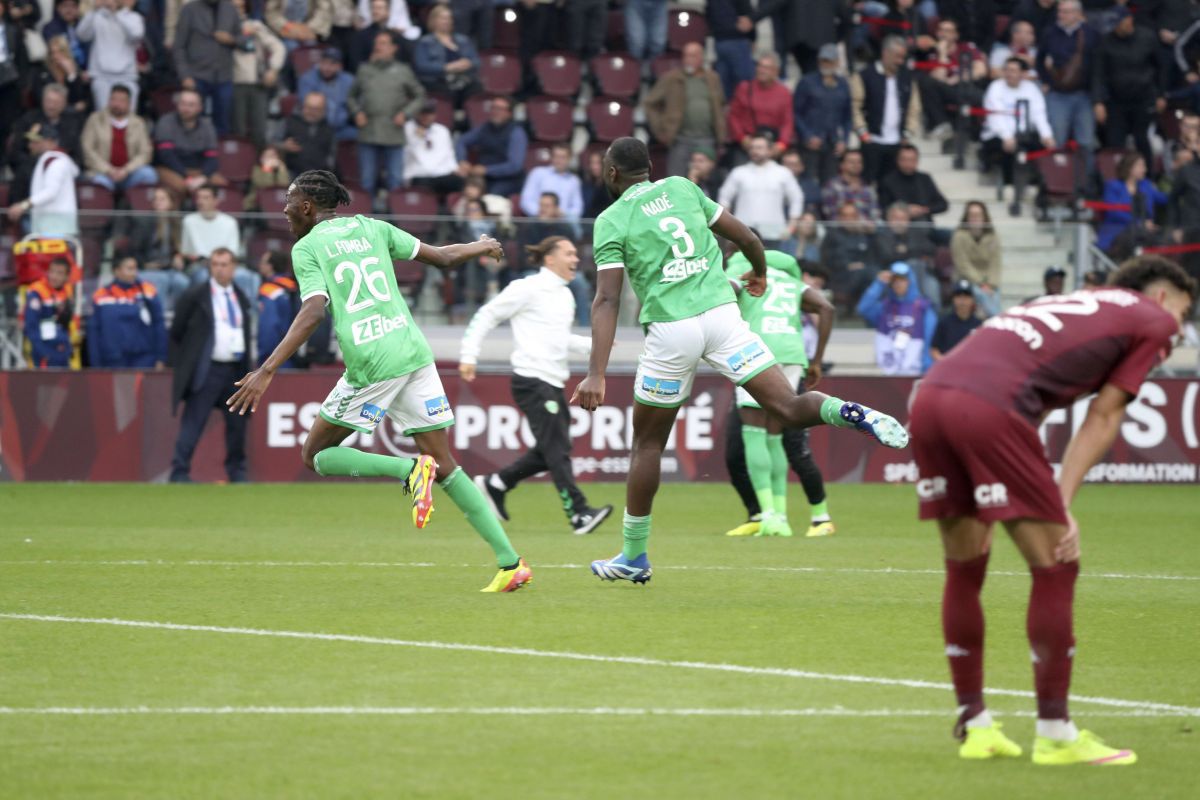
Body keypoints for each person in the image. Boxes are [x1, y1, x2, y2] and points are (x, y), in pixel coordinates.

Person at [573, 137, 908, 584]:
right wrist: (761, 272)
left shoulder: (611, 219)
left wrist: (596, 372)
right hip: (724, 317)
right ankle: (849, 411)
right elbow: (748, 236)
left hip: (673, 330)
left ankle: (634, 556)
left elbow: (607, 299)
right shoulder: (682, 188)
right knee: (788, 407)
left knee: (648, 445)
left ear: (612, 173)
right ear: (650, 168)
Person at [909, 256, 1195, 765]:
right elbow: (1104, 415)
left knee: (966, 566)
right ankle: (1056, 733)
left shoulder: (1071, 304)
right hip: (988, 405)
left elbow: (1032, 392)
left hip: (930, 396)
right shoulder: (1151, 319)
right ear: (1162, 299)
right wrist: (1061, 503)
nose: (1180, 326)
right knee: (1057, 563)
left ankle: (976, 725)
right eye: (1183, 312)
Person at [226, 169, 533, 593]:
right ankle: (510, 562)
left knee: (315, 454)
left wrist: (267, 369)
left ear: (309, 207)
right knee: (445, 464)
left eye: (290, 201)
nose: (284, 209)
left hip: (372, 359)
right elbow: (442, 257)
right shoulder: (373, 227)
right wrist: (481, 245)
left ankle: (408, 471)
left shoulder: (308, 247)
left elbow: (314, 310)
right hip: (412, 350)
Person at [459, 235, 613, 536]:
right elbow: (487, 315)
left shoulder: (564, 295)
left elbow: (559, 339)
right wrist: (469, 355)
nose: (575, 259)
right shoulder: (527, 288)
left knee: (551, 449)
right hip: (532, 380)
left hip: (553, 381)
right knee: (557, 450)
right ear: (550, 259)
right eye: (569, 254)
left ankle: (496, 484)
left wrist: (595, 344)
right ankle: (579, 514)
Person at [722, 244, 836, 539]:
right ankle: (781, 517)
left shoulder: (738, 266)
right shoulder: (787, 277)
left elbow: (728, 289)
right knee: (775, 437)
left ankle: (771, 516)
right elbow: (827, 307)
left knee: (754, 434)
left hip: (756, 351)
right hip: (792, 352)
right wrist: (818, 361)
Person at [169, 247, 251, 483]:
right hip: (207, 369)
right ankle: (179, 472)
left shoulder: (240, 296)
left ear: (234, 267)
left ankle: (237, 473)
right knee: (193, 424)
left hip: (235, 370)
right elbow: (177, 330)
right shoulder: (195, 295)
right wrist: (185, 362)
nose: (220, 269)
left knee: (237, 427)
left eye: (225, 264)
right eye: (215, 264)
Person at [348, 30, 426, 202]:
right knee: (367, 181)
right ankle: (364, 223)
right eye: (377, 43)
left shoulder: (403, 70)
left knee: (395, 181)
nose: (378, 47)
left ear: (393, 48)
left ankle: (394, 222)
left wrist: (406, 114)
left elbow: (420, 95)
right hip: (369, 129)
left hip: (393, 130)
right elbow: (351, 96)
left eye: (383, 43)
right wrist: (356, 112)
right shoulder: (364, 70)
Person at [1092, 8, 1166, 173]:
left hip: (1143, 98)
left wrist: (1161, 94)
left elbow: (1160, 68)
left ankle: (1148, 178)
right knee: (1115, 142)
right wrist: (1098, 101)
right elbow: (1098, 74)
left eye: (1118, 23)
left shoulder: (1147, 37)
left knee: (1141, 139)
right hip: (1116, 100)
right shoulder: (1106, 41)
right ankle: (1115, 180)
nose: (1116, 28)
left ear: (1128, 20)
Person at [981, 57, 1055, 216]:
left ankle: (1044, 196)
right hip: (998, 136)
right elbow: (995, 117)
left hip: (1026, 135)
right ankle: (1017, 199)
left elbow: (1039, 114)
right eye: (1007, 70)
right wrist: (1007, 136)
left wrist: (1046, 135)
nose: (1009, 74)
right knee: (1017, 151)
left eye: (1014, 71)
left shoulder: (1031, 89)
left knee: (1047, 151)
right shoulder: (995, 87)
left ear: (1023, 73)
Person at [644, 41, 728, 180]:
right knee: (676, 180)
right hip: (680, 139)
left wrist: (721, 130)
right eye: (686, 56)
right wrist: (661, 130)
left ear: (701, 58)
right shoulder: (671, 78)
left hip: (706, 138)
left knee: (706, 181)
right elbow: (650, 103)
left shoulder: (713, 78)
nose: (688, 60)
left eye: (693, 56)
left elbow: (721, 104)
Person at [1037, 0, 1098, 174]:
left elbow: (1097, 66)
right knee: (1057, 139)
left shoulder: (1091, 34)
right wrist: (1046, 80)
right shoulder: (1050, 33)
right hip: (1057, 94)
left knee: (1086, 141)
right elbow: (1040, 60)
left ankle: (1086, 183)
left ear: (1077, 14)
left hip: (1084, 95)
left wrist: (1096, 95)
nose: (1060, 15)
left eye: (1064, 12)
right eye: (1059, 11)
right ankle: (1056, 180)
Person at [851, 36, 923, 183]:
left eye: (902, 57)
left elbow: (914, 108)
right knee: (868, 181)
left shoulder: (907, 78)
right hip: (872, 140)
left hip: (896, 143)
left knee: (890, 184)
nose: (900, 61)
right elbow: (854, 106)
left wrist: (908, 132)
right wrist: (863, 132)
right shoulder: (864, 76)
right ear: (885, 53)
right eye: (897, 57)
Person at [717, 134, 803, 249]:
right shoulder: (738, 172)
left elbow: (797, 198)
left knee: (773, 265)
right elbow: (724, 198)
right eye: (752, 148)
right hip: (743, 233)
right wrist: (728, 227)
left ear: (770, 151)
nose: (755, 151)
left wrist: (791, 227)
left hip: (775, 234)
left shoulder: (783, 173)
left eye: (759, 148)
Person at [856, 261, 937, 375]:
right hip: (887, 372)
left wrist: (927, 366)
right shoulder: (884, 306)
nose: (898, 284)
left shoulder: (923, 308)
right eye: (894, 281)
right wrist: (879, 284)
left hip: (914, 371)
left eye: (902, 280)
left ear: (910, 281)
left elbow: (929, 338)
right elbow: (863, 309)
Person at [88, 256, 167, 369]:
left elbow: (159, 324)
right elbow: (94, 331)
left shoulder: (147, 291)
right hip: (113, 360)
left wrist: (161, 357)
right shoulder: (101, 295)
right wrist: (95, 363)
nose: (134, 273)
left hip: (144, 359)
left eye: (135, 268)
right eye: (129, 269)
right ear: (117, 271)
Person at [173, 0, 238, 136]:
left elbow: (245, 41)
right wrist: (184, 75)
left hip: (223, 76)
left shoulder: (230, 8)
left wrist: (231, 39)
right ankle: (194, 154)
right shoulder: (189, 9)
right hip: (197, 75)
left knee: (223, 124)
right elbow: (179, 47)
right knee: (193, 123)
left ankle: (218, 155)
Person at [916, 17, 987, 140]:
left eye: (948, 31)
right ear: (937, 33)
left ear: (956, 35)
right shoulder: (932, 54)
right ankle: (942, 124)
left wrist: (958, 78)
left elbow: (981, 70)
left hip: (966, 88)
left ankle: (981, 133)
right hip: (946, 91)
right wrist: (942, 54)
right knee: (925, 81)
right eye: (941, 30)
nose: (944, 34)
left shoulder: (966, 48)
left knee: (982, 95)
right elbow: (938, 78)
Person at [792, 43, 851, 186]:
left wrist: (844, 140)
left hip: (832, 142)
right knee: (808, 181)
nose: (826, 64)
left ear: (837, 62)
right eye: (823, 60)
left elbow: (847, 116)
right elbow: (795, 112)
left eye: (830, 61)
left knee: (830, 182)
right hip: (810, 143)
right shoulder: (807, 82)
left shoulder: (843, 84)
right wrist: (807, 135)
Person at [153, 88, 228, 201]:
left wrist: (203, 177)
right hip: (169, 169)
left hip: (198, 170)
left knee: (222, 184)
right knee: (181, 186)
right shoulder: (166, 121)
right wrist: (186, 177)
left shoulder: (207, 126)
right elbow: (166, 155)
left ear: (200, 108)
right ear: (177, 105)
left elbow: (212, 158)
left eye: (191, 105)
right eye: (183, 104)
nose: (186, 108)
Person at [6, 123, 79, 238]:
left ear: (50, 141)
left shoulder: (56, 162)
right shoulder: (49, 160)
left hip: (56, 227)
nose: (31, 146)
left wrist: (23, 205)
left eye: (36, 142)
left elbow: (50, 192)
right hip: (49, 226)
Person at [81, 83, 157, 193]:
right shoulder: (95, 119)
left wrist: (126, 170)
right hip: (103, 173)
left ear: (129, 104)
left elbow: (145, 153)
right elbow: (87, 149)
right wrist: (108, 170)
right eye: (113, 99)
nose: (116, 104)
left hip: (129, 174)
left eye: (121, 100)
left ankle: (135, 207)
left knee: (149, 174)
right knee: (99, 183)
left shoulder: (138, 123)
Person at [230, 0, 285, 150]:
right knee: (238, 131)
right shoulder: (222, 27)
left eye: (241, 7)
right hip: (233, 83)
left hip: (257, 83)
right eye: (234, 7)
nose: (238, 11)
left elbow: (278, 47)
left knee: (259, 131)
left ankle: (259, 168)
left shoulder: (255, 25)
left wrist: (273, 69)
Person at [1096, 151, 1169, 258]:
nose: (1145, 170)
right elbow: (1113, 213)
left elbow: (1166, 198)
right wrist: (1140, 224)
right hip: (1118, 230)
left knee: (1164, 240)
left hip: (1144, 232)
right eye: (1141, 166)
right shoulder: (1113, 186)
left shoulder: (1146, 186)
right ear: (1129, 167)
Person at [127, 186, 190, 311]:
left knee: (182, 282)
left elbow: (184, 251)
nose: (158, 202)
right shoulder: (144, 223)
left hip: (170, 269)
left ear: (171, 203)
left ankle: (177, 313)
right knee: (161, 280)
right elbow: (134, 251)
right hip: (148, 268)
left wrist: (179, 257)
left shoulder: (178, 223)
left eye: (162, 199)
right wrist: (145, 264)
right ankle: (159, 316)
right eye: (155, 199)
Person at [76, 0, 143, 112]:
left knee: (128, 116)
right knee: (104, 118)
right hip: (101, 77)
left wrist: (116, 12)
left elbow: (136, 34)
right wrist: (93, 10)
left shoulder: (133, 17)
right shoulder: (97, 16)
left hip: (127, 76)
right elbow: (82, 35)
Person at [455, 95, 528, 197]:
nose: (495, 111)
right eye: (493, 108)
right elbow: (462, 141)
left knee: (491, 195)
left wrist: (487, 170)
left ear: (509, 113)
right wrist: (462, 160)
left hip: (508, 179)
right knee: (462, 187)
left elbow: (514, 165)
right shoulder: (484, 128)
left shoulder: (516, 133)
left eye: (500, 109)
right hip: (483, 177)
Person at [726, 54, 794, 160]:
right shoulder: (744, 88)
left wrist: (781, 145)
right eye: (760, 66)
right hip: (747, 145)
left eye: (766, 68)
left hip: (771, 146)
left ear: (776, 71)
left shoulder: (784, 92)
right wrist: (742, 138)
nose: (761, 70)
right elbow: (734, 116)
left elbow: (787, 122)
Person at [412, 3, 480, 105]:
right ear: (433, 20)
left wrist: (467, 63)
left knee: (476, 87)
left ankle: (469, 118)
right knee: (445, 91)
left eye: (449, 18)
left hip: (462, 78)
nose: (446, 21)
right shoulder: (424, 42)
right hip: (438, 80)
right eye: (443, 18)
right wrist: (446, 67)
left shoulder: (463, 40)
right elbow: (421, 66)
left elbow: (476, 61)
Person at [821, 200, 883, 308]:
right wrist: (847, 265)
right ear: (839, 218)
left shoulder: (864, 235)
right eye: (845, 216)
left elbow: (875, 257)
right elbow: (827, 258)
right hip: (840, 276)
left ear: (858, 217)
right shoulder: (832, 235)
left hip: (865, 274)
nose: (849, 219)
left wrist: (873, 233)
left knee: (875, 273)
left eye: (853, 215)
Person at [23, 257, 76, 369]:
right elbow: (31, 327)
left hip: (63, 348)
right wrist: (44, 352)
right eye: (52, 271)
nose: (54, 276)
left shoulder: (68, 291)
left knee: (65, 385)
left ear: (67, 277)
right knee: (45, 385)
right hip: (44, 350)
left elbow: (66, 324)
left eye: (59, 273)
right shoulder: (37, 291)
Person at [877, 143, 948, 226]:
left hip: (925, 224)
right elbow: (883, 209)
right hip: (899, 227)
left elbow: (942, 204)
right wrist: (904, 210)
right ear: (898, 160)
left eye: (912, 160)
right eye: (904, 160)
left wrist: (924, 210)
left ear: (917, 161)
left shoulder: (925, 179)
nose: (908, 164)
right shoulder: (888, 181)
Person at [951, 201, 1002, 316]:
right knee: (981, 294)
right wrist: (981, 283)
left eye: (978, 215)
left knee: (994, 294)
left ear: (984, 217)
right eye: (971, 215)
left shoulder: (993, 236)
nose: (975, 218)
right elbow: (963, 265)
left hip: (989, 280)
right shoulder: (959, 236)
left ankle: (995, 320)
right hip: (966, 279)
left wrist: (991, 284)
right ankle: (998, 318)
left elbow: (995, 263)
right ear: (966, 217)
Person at [404, 99, 463, 196]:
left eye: (430, 113)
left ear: (434, 115)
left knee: (460, 182)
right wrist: (416, 139)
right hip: (418, 174)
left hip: (441, 173)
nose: (426, 117)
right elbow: (405, 155)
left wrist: (455, 168)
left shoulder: (442, 130)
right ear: (416, 113)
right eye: (423, 113)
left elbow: (449, 154)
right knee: (422, 186)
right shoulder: (407, 129)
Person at [296, 48, 357, 142]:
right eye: (324, 63)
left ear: (340, 66)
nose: (327, 68)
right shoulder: (307, 79)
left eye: (332, 64)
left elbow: (355, 104)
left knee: (363, 135)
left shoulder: (349, 80)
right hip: (315, 127)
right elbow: (306, 107)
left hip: (341, 128)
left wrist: (345, 117)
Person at [256, 250, 299, 368]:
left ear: (271, 266)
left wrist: (263, 358)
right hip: (293, 352)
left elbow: (269, 326)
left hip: (274, 357)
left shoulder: (269, 289)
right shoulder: (293, 286)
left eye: (263, 262)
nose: (260, 264)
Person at [707, 0, 756, 99]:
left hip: (719, 41)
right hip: (738, 39)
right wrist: (753, 38)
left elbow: (708, 14)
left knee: (725, 87)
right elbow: (747, 15)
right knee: (746, 87)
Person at [519, 143, 583, 220]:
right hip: (538, 221)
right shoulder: (537, 173)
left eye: (563, 157)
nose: (559, 160)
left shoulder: (574, 180)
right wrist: (543, 213)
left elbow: (577, 208)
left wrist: (562, 214)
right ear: (551, 157)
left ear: (569, 158)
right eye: (556, 156)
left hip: (563, 223)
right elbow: (526, 201)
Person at [276, 92, 335, 174]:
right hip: (291, 175)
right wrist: (283, 146)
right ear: (303, 106)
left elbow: (331, 159)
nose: (312, 112)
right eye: (309, 108)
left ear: (324, 110)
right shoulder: (290, 122)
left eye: (316, 109)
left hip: (318, 178)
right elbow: (271, 142)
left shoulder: (328, 129)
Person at [181, 184, 241, 265]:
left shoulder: (230, 222)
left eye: (205, 198)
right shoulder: (188, 221)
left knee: (249, 277)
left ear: (216, 200)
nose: (200, 201)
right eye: (198, 197)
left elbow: (233, 252)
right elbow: (185, 250)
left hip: (224, 265)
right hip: (198, 265)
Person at [820, 148, 880, 222]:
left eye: (859, 162)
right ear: (841, 165)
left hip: (866, 231)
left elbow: (875, 214)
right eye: (851, 162)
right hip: (839, 231)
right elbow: (829, 213)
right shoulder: (832, 186)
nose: (856, 165)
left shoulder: (868, 188)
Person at [930, 278, 982, 360]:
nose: (962, 300)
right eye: (959, 296)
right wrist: (945, 362)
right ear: (953, 299)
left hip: (972, 369)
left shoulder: (979, 325)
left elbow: (984, 351)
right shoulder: (944, 323)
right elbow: (934, 349)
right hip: (949, 370)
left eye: (966, 296)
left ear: (972, 300)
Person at [265, 0, 332, 50]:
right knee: (289, 47)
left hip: (310, 29)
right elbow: (271, 13)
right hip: (284, 30)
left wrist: (308, 28)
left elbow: (323, 10)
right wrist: (287, 25)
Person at [625, 0, 667, 66]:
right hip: (636, 3)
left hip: (659, 4)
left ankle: (656, 73)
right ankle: (634, 72)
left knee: (658, 43)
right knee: (636, 42)